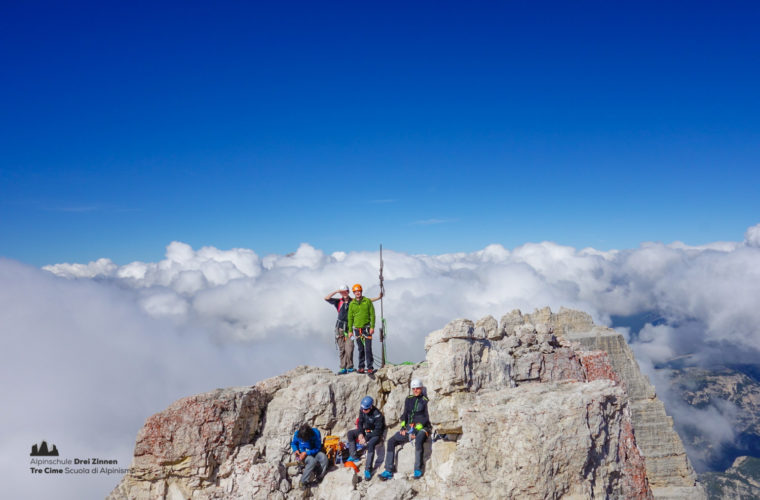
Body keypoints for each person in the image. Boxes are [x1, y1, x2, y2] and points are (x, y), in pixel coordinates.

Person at [379, 378, 430, 480]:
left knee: (419, 440)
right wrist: (403, 427)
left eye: (417, 388)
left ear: (421, 388)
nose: (415, 390)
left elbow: (426, 418)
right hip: (409, 428)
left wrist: (415, 430)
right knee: (391, 441)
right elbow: (405, 414)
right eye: (414, 388)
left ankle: (418, 469)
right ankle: (388, 470)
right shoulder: (409, 399)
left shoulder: (425, 401)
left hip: (422, 428)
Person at [346, 396, 385, 480]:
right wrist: (360, 433)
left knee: (371, 444)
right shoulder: (362, 410)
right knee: (350, 434)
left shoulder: (377, 415)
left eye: (366, 409)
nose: (364, 411)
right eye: (363, 409)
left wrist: (366, 438)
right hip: (365, 431)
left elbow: (378, 430)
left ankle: (368, 469)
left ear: (371, 407)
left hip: (375, 434)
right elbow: (360, 422)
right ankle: (354, 455)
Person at [324, 285, 355, 374]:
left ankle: (350, 366)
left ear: (348, 292)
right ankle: (343, 367)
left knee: (350, 347)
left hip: (350, 329)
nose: (344, 293)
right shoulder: (338, 301)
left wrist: (378, 297)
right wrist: (337, 291)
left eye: (345, 291)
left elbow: (366, 301)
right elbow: (326, 298)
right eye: (342, 292)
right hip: (339, 328)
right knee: (342, 349)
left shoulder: (353, 301)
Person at [347, 283, 376, 374]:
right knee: (360, 349)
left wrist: (372, 327)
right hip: (357, 329)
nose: (357, 293)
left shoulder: (367, 301)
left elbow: (372, 315)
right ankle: (361, 367)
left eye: (359, 291)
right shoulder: (352, 304)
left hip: (367, 328)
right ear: (353, 293)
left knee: (368, 349)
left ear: (361, 291)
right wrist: (350, 330)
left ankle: (370, 367)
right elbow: (350, 318)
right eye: (355, 292)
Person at [291, 423, 328, 488]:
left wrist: (307, 452)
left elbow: (318, 448)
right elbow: (294, 443)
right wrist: (295, 450)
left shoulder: (316, 433)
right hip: (302, 455)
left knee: (324, 458)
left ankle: (319, 476)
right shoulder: (297, 434)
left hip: (314, 452)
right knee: (312, 461)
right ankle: (303, 482)